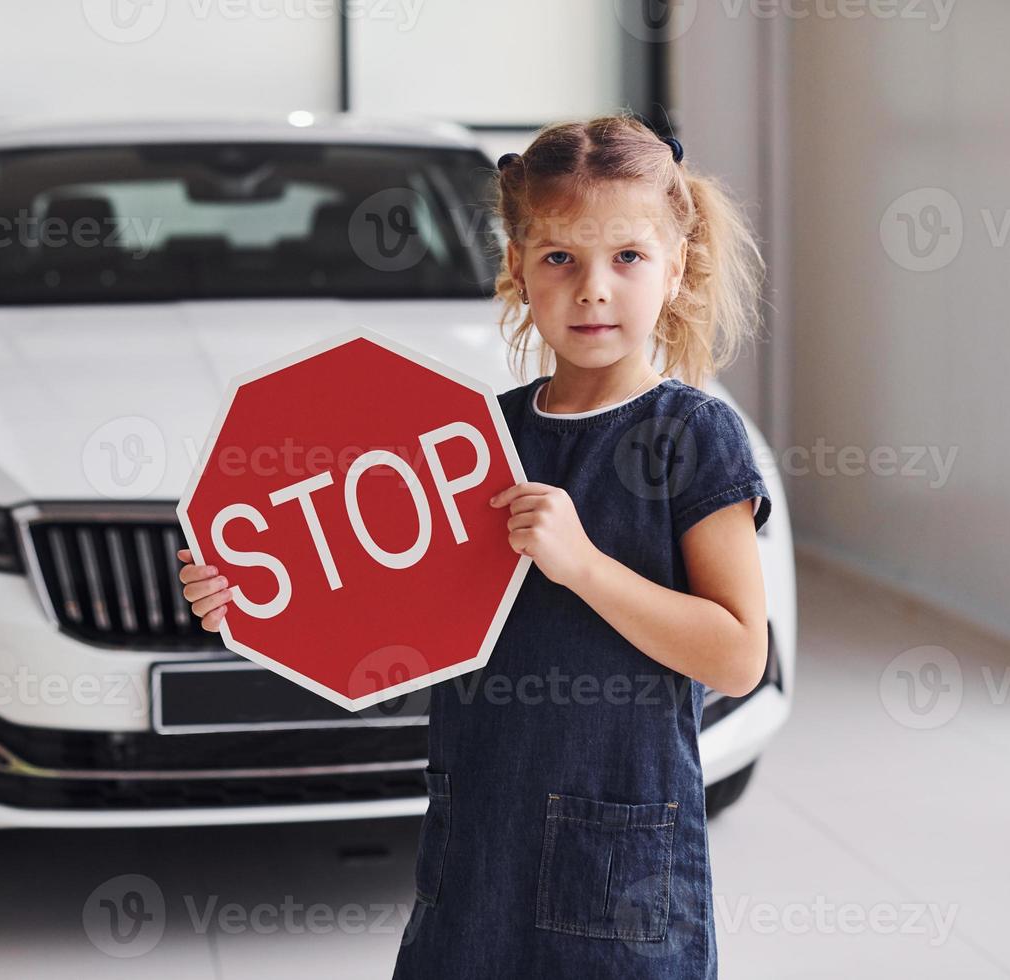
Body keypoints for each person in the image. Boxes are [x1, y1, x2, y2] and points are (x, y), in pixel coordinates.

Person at [177, 111, 773, 978]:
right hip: (476, 838)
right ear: (518, 271)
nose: (593, 288)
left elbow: (736, 656)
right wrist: (256, 599)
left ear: (677, 268)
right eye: (559, 258)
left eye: (628, 258)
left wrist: (585, 568)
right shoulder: (472, 437)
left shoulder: (692, 434)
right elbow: (377, 611)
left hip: (617, 852)